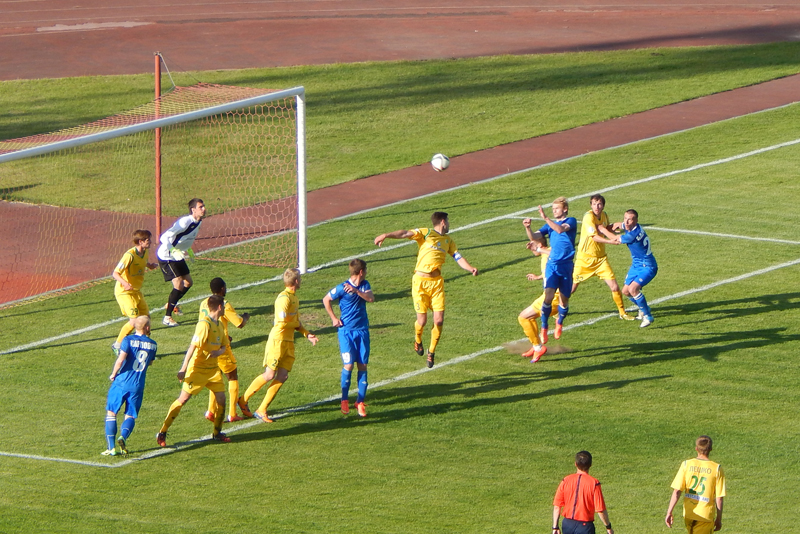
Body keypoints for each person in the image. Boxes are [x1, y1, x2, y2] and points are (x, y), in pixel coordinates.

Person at [374, 211, 478, 368]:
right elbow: (404, 233)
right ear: (443, 222)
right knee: (422, 321)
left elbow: (458, 257)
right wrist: (386, 235)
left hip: (436, 283)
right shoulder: (426, 233)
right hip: (420, 283)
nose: (449, 224)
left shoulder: (448, 240)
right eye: (448, 221)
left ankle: (431, 351)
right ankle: (417, 339)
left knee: (439, 320)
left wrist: (470, 268)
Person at [243, 268, 318, 422]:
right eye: (300, 279)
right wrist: (297, 325)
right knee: (269, 375)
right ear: (296, 281)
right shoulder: (283, 299)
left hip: (289, 342)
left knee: (283, 376)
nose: (301, 281)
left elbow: (296, 323)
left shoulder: (294, 298)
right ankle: (243, 400)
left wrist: (307, 334)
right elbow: (282, 323)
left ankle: (262, 409)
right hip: (278, 341)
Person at [156, 294, 231, 447]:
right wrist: (183, 369)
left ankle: (217, 433)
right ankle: (162, 431)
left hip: (213, 370)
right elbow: (192, 347)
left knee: (222, 400)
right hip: (197, 369)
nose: (224, 308)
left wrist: (218, 352)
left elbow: (224, 346)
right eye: (223, 306)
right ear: (219, 307)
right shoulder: (204, 325)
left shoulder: (220, 325)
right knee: (183, 400)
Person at [322, 259, 374, 417]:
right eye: (365, 270)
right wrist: (333, 318)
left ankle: (360, 401)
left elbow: (370, 298)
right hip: (346, 332)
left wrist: (356, 291)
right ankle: (344, 399)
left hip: (362, 331)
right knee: (349, 365)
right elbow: (326, 299)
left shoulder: (364, 285)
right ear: (361, 271)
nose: (366, 272)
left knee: (362, 365)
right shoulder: (342, 288)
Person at [570, 195, 635, 321]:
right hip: (585, 259)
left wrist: (613, 227)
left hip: (601, 259)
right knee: (571, 289)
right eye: (594, 204)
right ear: (591, 205)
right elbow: (594, 236)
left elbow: (604, 228)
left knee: (614, 287)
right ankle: (554, 308)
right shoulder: (588, 217)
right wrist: (610, 240)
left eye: (599, 204)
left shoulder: (604, 215)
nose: (597, 207)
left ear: (603, 206)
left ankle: (622, 313)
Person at [102, 316, 157, 456]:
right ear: (147, 327)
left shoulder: (127, 340)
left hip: (121, 382)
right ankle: (123, 437)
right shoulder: (153, 344)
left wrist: (113, 374)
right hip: (137, 385)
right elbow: (150, 362)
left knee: (111, 413)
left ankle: (111, 448)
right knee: (130, 415)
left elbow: (121, 360)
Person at [524, 197, 577, 343]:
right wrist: (528, 228)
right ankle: (544, 327)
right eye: (552, 209)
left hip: (566, 266)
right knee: (548, 296)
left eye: (556, 209)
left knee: (564, 301)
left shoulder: (571, 221)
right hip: (552, 265)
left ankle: (559, 322)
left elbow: (560, 230)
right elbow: (534, 237)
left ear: (565, 209)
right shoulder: (548, 225)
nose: (554, 211)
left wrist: (546, 218)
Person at [594, 209, 658, 327]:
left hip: (647, 266)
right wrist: (610, 226)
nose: (626, 222)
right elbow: (619, 225)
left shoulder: (633, 235)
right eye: (625, 218)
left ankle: (648, 316)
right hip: (636, 265)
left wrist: (602, 229)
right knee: (625, 291)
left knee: (633, 289)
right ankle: (643, 308)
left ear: (636, 220)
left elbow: (615, 239)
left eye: (630, 219)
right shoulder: (631, 226)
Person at [200, 277, 252, 423]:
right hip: (220, 346)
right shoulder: (223, 304)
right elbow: (239, 323)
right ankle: (232, 413)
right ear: (222, 288)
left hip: (207, 346)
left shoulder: (204, 302)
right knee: (232, 376)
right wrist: (246, 317)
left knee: (215, 377)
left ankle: (210, 411)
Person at [156, 198, 206, 327]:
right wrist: (172, 249)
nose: (204, 209)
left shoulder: (199, 221)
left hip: (177, 255)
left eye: (203, 206)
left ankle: (171, 303)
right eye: (200, 207)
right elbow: (163, 237)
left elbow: (185, 237)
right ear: (193, 210)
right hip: (167, 255)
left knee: (188, 282)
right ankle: (167, 317)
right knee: (178, 283)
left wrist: (188, 249)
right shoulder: (184, 222)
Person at [665, 436, 726, 533]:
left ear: (696, 448)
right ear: (710, 449)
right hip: (705, 516)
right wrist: (718, 519)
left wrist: (669, 512)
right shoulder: (717, 469)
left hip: (689, 513)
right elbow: (719, 498)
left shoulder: (686, 464)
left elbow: (677, 491)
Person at [111, 229, 158, 356]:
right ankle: (117, 345)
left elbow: (142, 262)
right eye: (148, 240)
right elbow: (115, 273)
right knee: (134, 321)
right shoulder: (129, 255)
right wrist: (125, 283)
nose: (150, 242)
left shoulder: (145, 252)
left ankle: (145, 347)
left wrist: (149, 265)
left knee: (146, 319)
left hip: (136, 291)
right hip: (124, 292)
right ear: (140, 242)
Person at [517, 235, 558, 362]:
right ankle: (536, 346)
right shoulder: (546, 254)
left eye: (532, 245)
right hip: (552, 295)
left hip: (552, 297)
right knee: (528, 318)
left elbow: (555, 256)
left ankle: (538, 347)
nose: (530, 248)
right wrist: (538, 277)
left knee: (523, 317)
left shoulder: (548, 254)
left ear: (539, 245)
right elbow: (549, 272)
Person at [552, 451, 614, 534]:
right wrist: (608, 527)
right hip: (585, 527)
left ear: (575, 464)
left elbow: (557, 506)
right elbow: (600, 510)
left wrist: (555, 527)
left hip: (567, 524)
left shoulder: (565, 480)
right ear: (590, 465)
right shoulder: (594, 483)